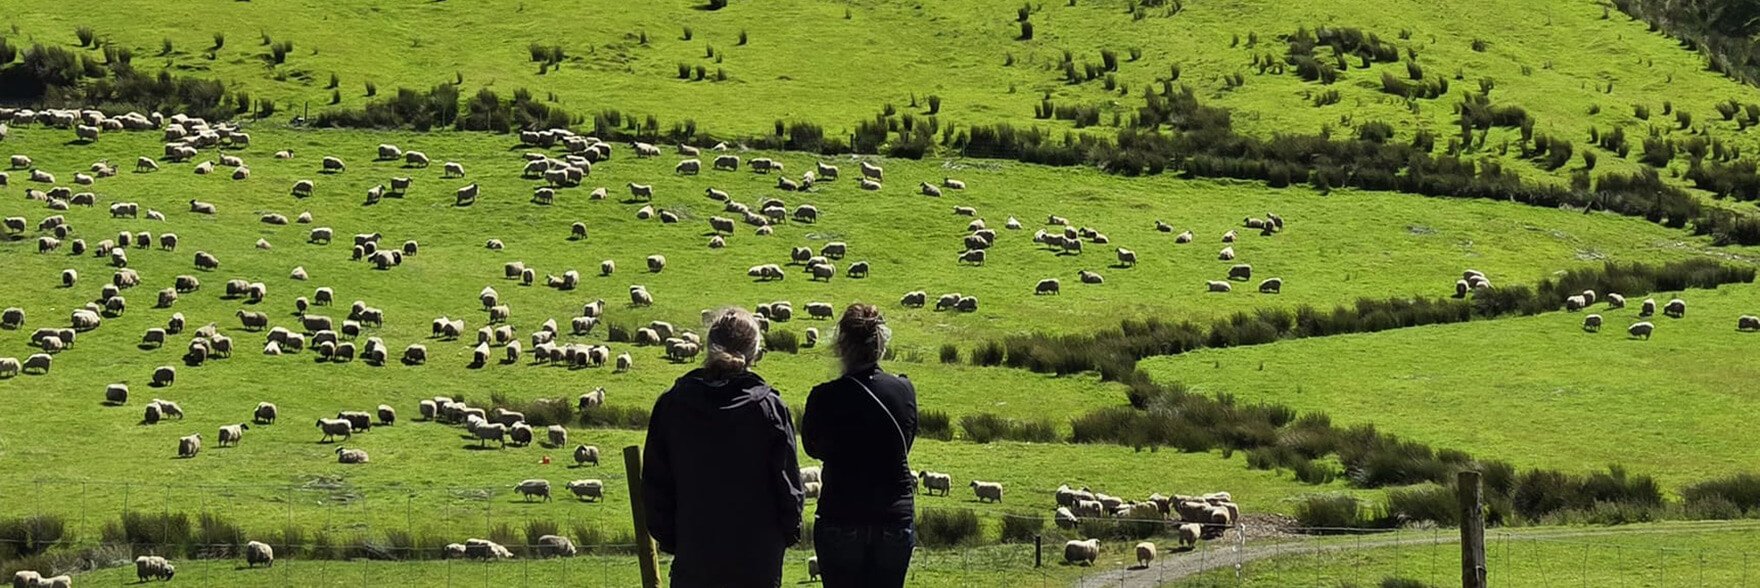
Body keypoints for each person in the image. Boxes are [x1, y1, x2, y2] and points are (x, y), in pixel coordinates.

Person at [643, 308, 804, 588]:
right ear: (754, 352)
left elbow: (656, 485)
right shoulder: (768, 409)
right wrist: (784, 535)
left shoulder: (672, 406)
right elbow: (788, 484)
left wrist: (676, 541)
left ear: (708, 347)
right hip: (756, 561)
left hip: (695, 558)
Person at [801, 303, 919, 588]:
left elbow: (812, 448)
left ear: (841, 345)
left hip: (842, 512)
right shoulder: (904, 390)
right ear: (881, 345)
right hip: (893, 514)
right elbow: (907, 441)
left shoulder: (824, 397)